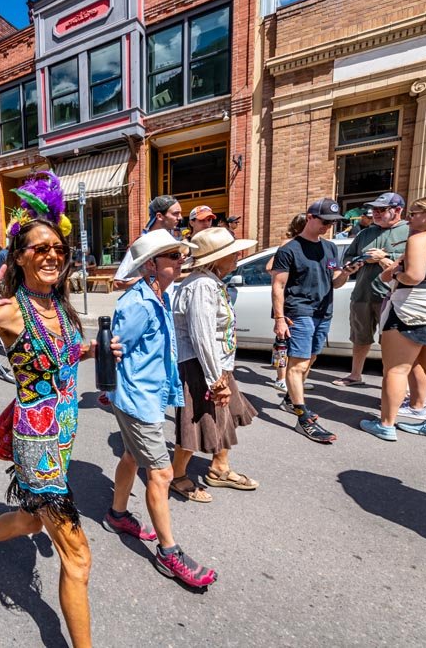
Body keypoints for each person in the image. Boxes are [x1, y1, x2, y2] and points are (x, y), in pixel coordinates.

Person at [0, 172, 119, 648]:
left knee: (35, 520)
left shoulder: (58, 302)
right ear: (19, 256)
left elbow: (61, 354)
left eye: (59, 247)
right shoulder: (11, 310)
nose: (53, 254)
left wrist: (95, 348)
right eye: (40, 248)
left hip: (64, 434)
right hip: (37, 442)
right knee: (77, 558)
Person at [105, 229, 217, 588]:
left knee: (131, 457)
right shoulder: (137, 303)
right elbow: (114, 350)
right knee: (162, 474)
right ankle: (169, 553)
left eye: (179, 254)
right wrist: (110, 356)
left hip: (147, 394)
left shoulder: (160, 296)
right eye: (172, 255)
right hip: (138, 399)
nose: (180, 260)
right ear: (151, 264)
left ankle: (117, 514)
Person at [360, 195, 426, 443]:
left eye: (414, 212)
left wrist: (397, 271)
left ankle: (385, 424)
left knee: (396, 370)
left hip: (412, 308)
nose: (409, 217)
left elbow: (414, 276)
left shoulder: (421, 239)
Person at [172, 228, 259, 501]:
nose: (237, 257)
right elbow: (202, 336)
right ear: (216, 258)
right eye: (232, 253)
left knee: (224, 416)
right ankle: (177, 476)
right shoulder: (201, 286)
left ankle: (220, 467)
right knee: (198, 420)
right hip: (201, 365)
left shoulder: (209, 281)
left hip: (214, 365)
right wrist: (216, 379)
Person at [271, 198, 349, 444]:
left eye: (333, 222)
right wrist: (280, 319)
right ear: (310, 217)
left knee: (310, 359)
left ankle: (290, 399)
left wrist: (346, 272)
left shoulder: (330, 247)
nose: (328, 226)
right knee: (298, 363)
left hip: (323, 312)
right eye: (325, 221)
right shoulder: (289, 249)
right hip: (299, 312)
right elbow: (278, 286)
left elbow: (335, 282)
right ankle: (302, 417)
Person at [333, 192, 410, 388]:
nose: (375, 213)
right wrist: (351, 265)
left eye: (381, 209)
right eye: (374, 209)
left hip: (393, 297)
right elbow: (348, 257)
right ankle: (355, 375)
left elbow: (414, 265)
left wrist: (384, 257)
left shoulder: (409, 232)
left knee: (391, 344)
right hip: (362, 295)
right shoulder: (365, 233)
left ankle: (391, 386)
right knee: (360, 337)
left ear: (398, 210)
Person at [265, 214, 308, 392]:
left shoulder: (312, 245)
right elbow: (269, 267)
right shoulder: (288, 244)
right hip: (287, 300)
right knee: (283, 342)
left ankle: (294, 379)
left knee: (297, 346)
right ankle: (281, 378)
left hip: (301, 300)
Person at [114, 195, 183, 289]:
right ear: (159, 216)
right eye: (175, 213)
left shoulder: (170, 240)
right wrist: (149, 279)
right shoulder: (142, 244)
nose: (180, 217)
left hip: (165, 301)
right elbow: (117, 283)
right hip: (150, 302)